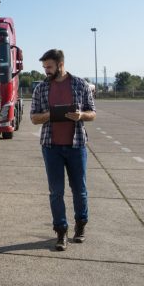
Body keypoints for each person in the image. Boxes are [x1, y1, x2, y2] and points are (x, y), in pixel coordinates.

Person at [30, 49, 96, 251]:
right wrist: (50, 114)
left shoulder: (79, 84)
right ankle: (61, 232)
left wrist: (81, 116)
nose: (46, 71)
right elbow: (33, 118)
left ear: (60, 64)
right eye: (44, 67)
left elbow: (92, 113)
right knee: (56, 192)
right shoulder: (41, 89)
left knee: (80, 191)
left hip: (76, 146)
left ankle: (81, 225)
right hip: (51, 148)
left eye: (49, 67)